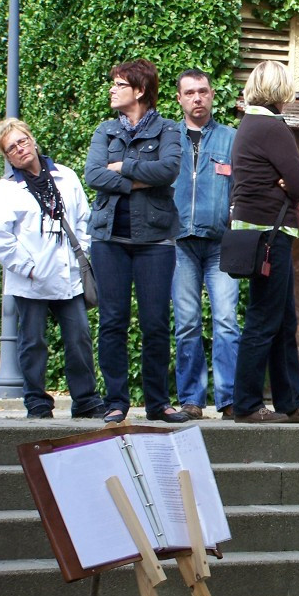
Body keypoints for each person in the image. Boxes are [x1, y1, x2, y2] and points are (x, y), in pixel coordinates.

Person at [84, 58, 189, 424]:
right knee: (112, 320)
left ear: (140, 90)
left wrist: (123, 168)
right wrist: (139, 180)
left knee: (155, 322)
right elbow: (94, 174)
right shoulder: (105, 131)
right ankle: (116, 402)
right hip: (109, 238)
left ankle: (158, 404)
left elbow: (168, 169)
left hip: (155, 240)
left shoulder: (169, 130)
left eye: (119, 84)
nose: (112, 89)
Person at [0, 119, 106, 420]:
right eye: (12, 147)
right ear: (7, 156)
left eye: (23, 140)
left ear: (32, 139)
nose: (20, 148)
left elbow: (83, 218)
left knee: (79, 337)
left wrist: (81, 250)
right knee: (33, 343)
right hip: (29, 279)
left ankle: (86, 400)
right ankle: (37, 403)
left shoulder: (64, 175)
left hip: (67, 275)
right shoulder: (6, 189)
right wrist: (27, 267)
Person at [230, 60, 299, 424]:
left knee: (282, 319)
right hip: (269, 236)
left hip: (259, 233)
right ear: (280, 89)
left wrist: (287, 180)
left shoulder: (250, 125)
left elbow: (294, 181)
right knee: (265, 319)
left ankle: (289, 402)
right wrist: (288, 181)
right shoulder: (272, 127)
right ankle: (247, 405)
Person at [171, 68, 239, 421]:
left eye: (203, 92)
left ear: (212, 95)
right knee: (187, 323)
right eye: (190, 93)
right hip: (179, 242)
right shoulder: (168, 137)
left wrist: (232, 215)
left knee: (227, 320)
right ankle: (192, 400)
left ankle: (228, 399)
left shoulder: (230, 138)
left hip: (220, 245)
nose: (197, 98)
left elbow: (241, 185)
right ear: (180, 98)